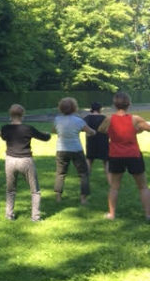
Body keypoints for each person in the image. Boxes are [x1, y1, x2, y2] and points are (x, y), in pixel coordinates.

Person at [98, 92, 150, 220]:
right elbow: (147, 128)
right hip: (133, 155)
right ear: (129, 104)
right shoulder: (135, 119)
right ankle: (148, 215)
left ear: (114, 105)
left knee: (114, 187)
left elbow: (101, 130)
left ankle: (111, 214)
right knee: (143, 186)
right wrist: (137, 130)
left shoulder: (109, 119)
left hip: (115, 155)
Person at [1, 104, 51, 221]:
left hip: (10, 160)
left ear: (10, 114)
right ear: (23, 114)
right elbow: (45, 137)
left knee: (10, 190)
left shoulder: (5, 128)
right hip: (26, 160)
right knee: (35, 191)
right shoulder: (28, 128)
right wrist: (47, 133)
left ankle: (9, 214)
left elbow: (4, 137)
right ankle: (35, 217)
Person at [53, 97, 96, 205]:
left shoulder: (57, 119)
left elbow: (54, 130)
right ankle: (83, 199)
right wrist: (93, 132)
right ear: (74, 108)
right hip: (76, 150)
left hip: (61, 149)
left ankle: (58, 198)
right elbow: (90, 131)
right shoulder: (78, 120)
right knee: (83, 174)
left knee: (60, 173)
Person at [83, 102, 110, 185]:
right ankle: (110, 182)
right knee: (106, 162)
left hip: (91, 141)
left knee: (89, 160)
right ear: (100, 109)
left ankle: (85, 181)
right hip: (103, 142)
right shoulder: (104, 118)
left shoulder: (86, 118)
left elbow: (82, 128)